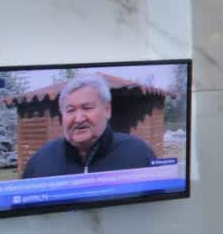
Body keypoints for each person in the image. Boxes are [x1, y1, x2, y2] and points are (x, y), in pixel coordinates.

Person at [21, 73, 157, 178]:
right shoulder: (41, 161)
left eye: (87, 108)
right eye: (70, 110)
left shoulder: (138, 154)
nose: (79, 119)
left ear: (107, 110)